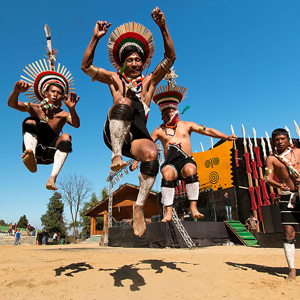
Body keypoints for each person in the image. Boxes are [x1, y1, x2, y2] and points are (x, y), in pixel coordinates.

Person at [81, 7, 176, 237]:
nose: (134, 63)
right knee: (123, 102)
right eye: (130, 59)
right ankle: (115, 156)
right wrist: (95, 38)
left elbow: (170, 57)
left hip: (136, 138)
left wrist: (163, 27)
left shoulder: (149, 84)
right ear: (122, 63)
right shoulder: (115, 79)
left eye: (138, 60)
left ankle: (139, 205)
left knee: (152, 154)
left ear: (143, 64)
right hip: (114, 132)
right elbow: (85, 66)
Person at [141, 83, 237, 222]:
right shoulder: (158, 131)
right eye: (165, 111)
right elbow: (147, 146)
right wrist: (137, 160)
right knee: (166, 173)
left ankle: (193, 207)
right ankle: (168, 211)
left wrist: (226, 137)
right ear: (161, 114)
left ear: (176, 110)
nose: (168, 113)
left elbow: (208, 130)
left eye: (171, 110)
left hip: (186, 160)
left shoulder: (187, 125)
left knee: (191, 169)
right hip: (171, 163)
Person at [7, 25, 80, 191]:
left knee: (67, 135)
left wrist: (72, 109)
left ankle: (52, 178)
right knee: (30, 120)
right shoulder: (35, 107)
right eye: (53, 91)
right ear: (45, 93)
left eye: (59, 93)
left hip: (50, 154)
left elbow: (76, 124)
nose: (55, 95)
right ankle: (30, 155)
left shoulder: (62, 114)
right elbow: (12, 104)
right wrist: (16, 91)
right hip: (35, 147)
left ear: (62, 97)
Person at [264, 128, 300, 280]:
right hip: (287, 197)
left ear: (288, 139)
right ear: (273, 142)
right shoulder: (271, 159)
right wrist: (280, 186)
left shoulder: (298, 152)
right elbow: (267, 178)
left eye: (282, 139)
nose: (280, 142)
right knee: (288, 232)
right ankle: (291, 269)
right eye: (277, 140)